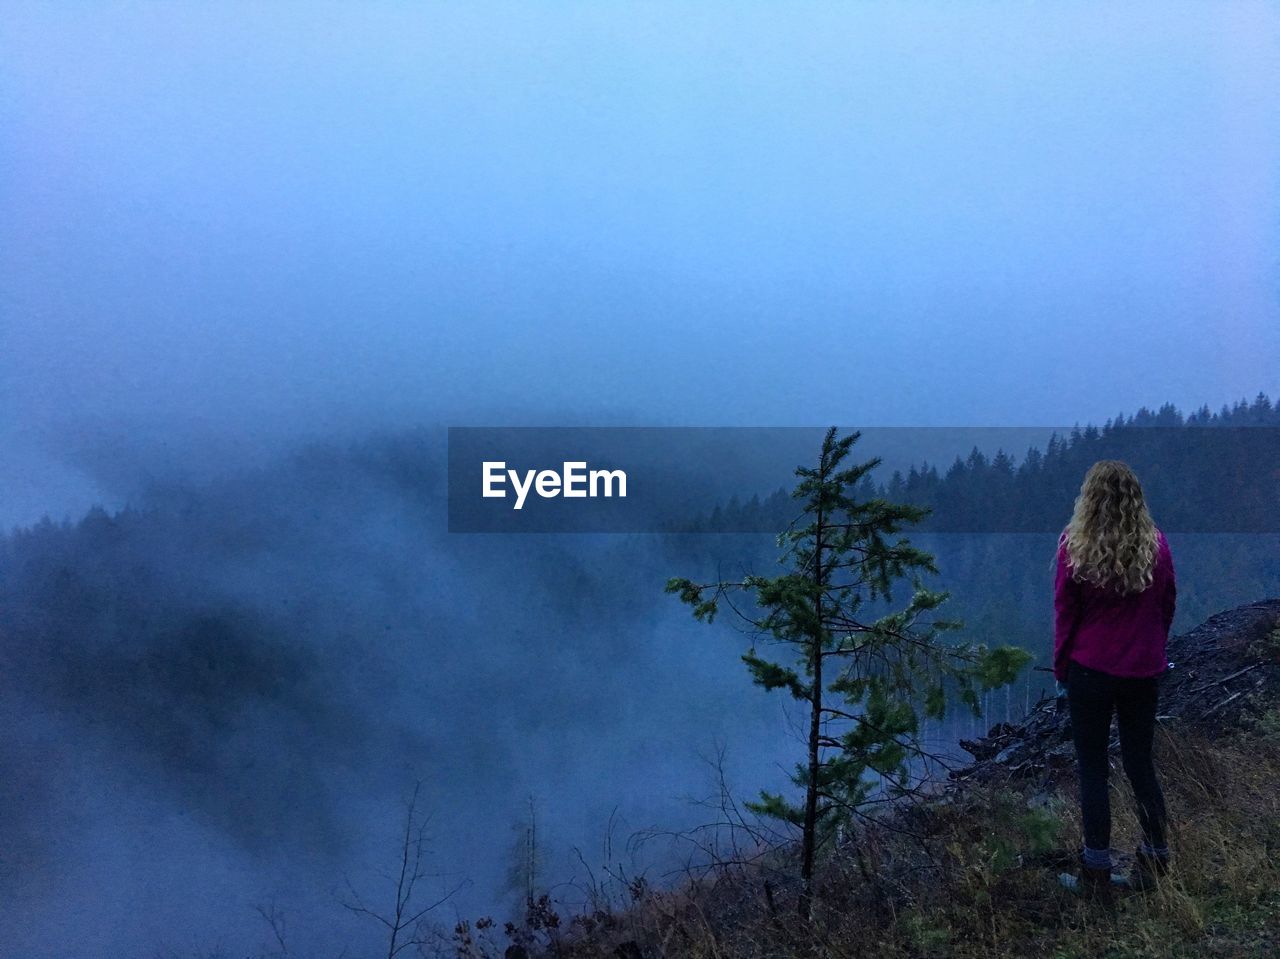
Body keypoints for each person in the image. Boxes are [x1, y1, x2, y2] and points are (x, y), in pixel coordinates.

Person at [1052, 460, 1176, 901]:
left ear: (1090, 499)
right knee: (1140, 762)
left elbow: (1066, 614)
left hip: (1091, 670)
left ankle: (1096, 872)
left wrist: (1062, 666)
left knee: (1093, 770)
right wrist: (1152, 650)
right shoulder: (1156, 547)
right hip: (1142, 672)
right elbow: (1166, 605)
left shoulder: (1075, 546)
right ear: (1135, 499)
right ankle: (1157, 860)